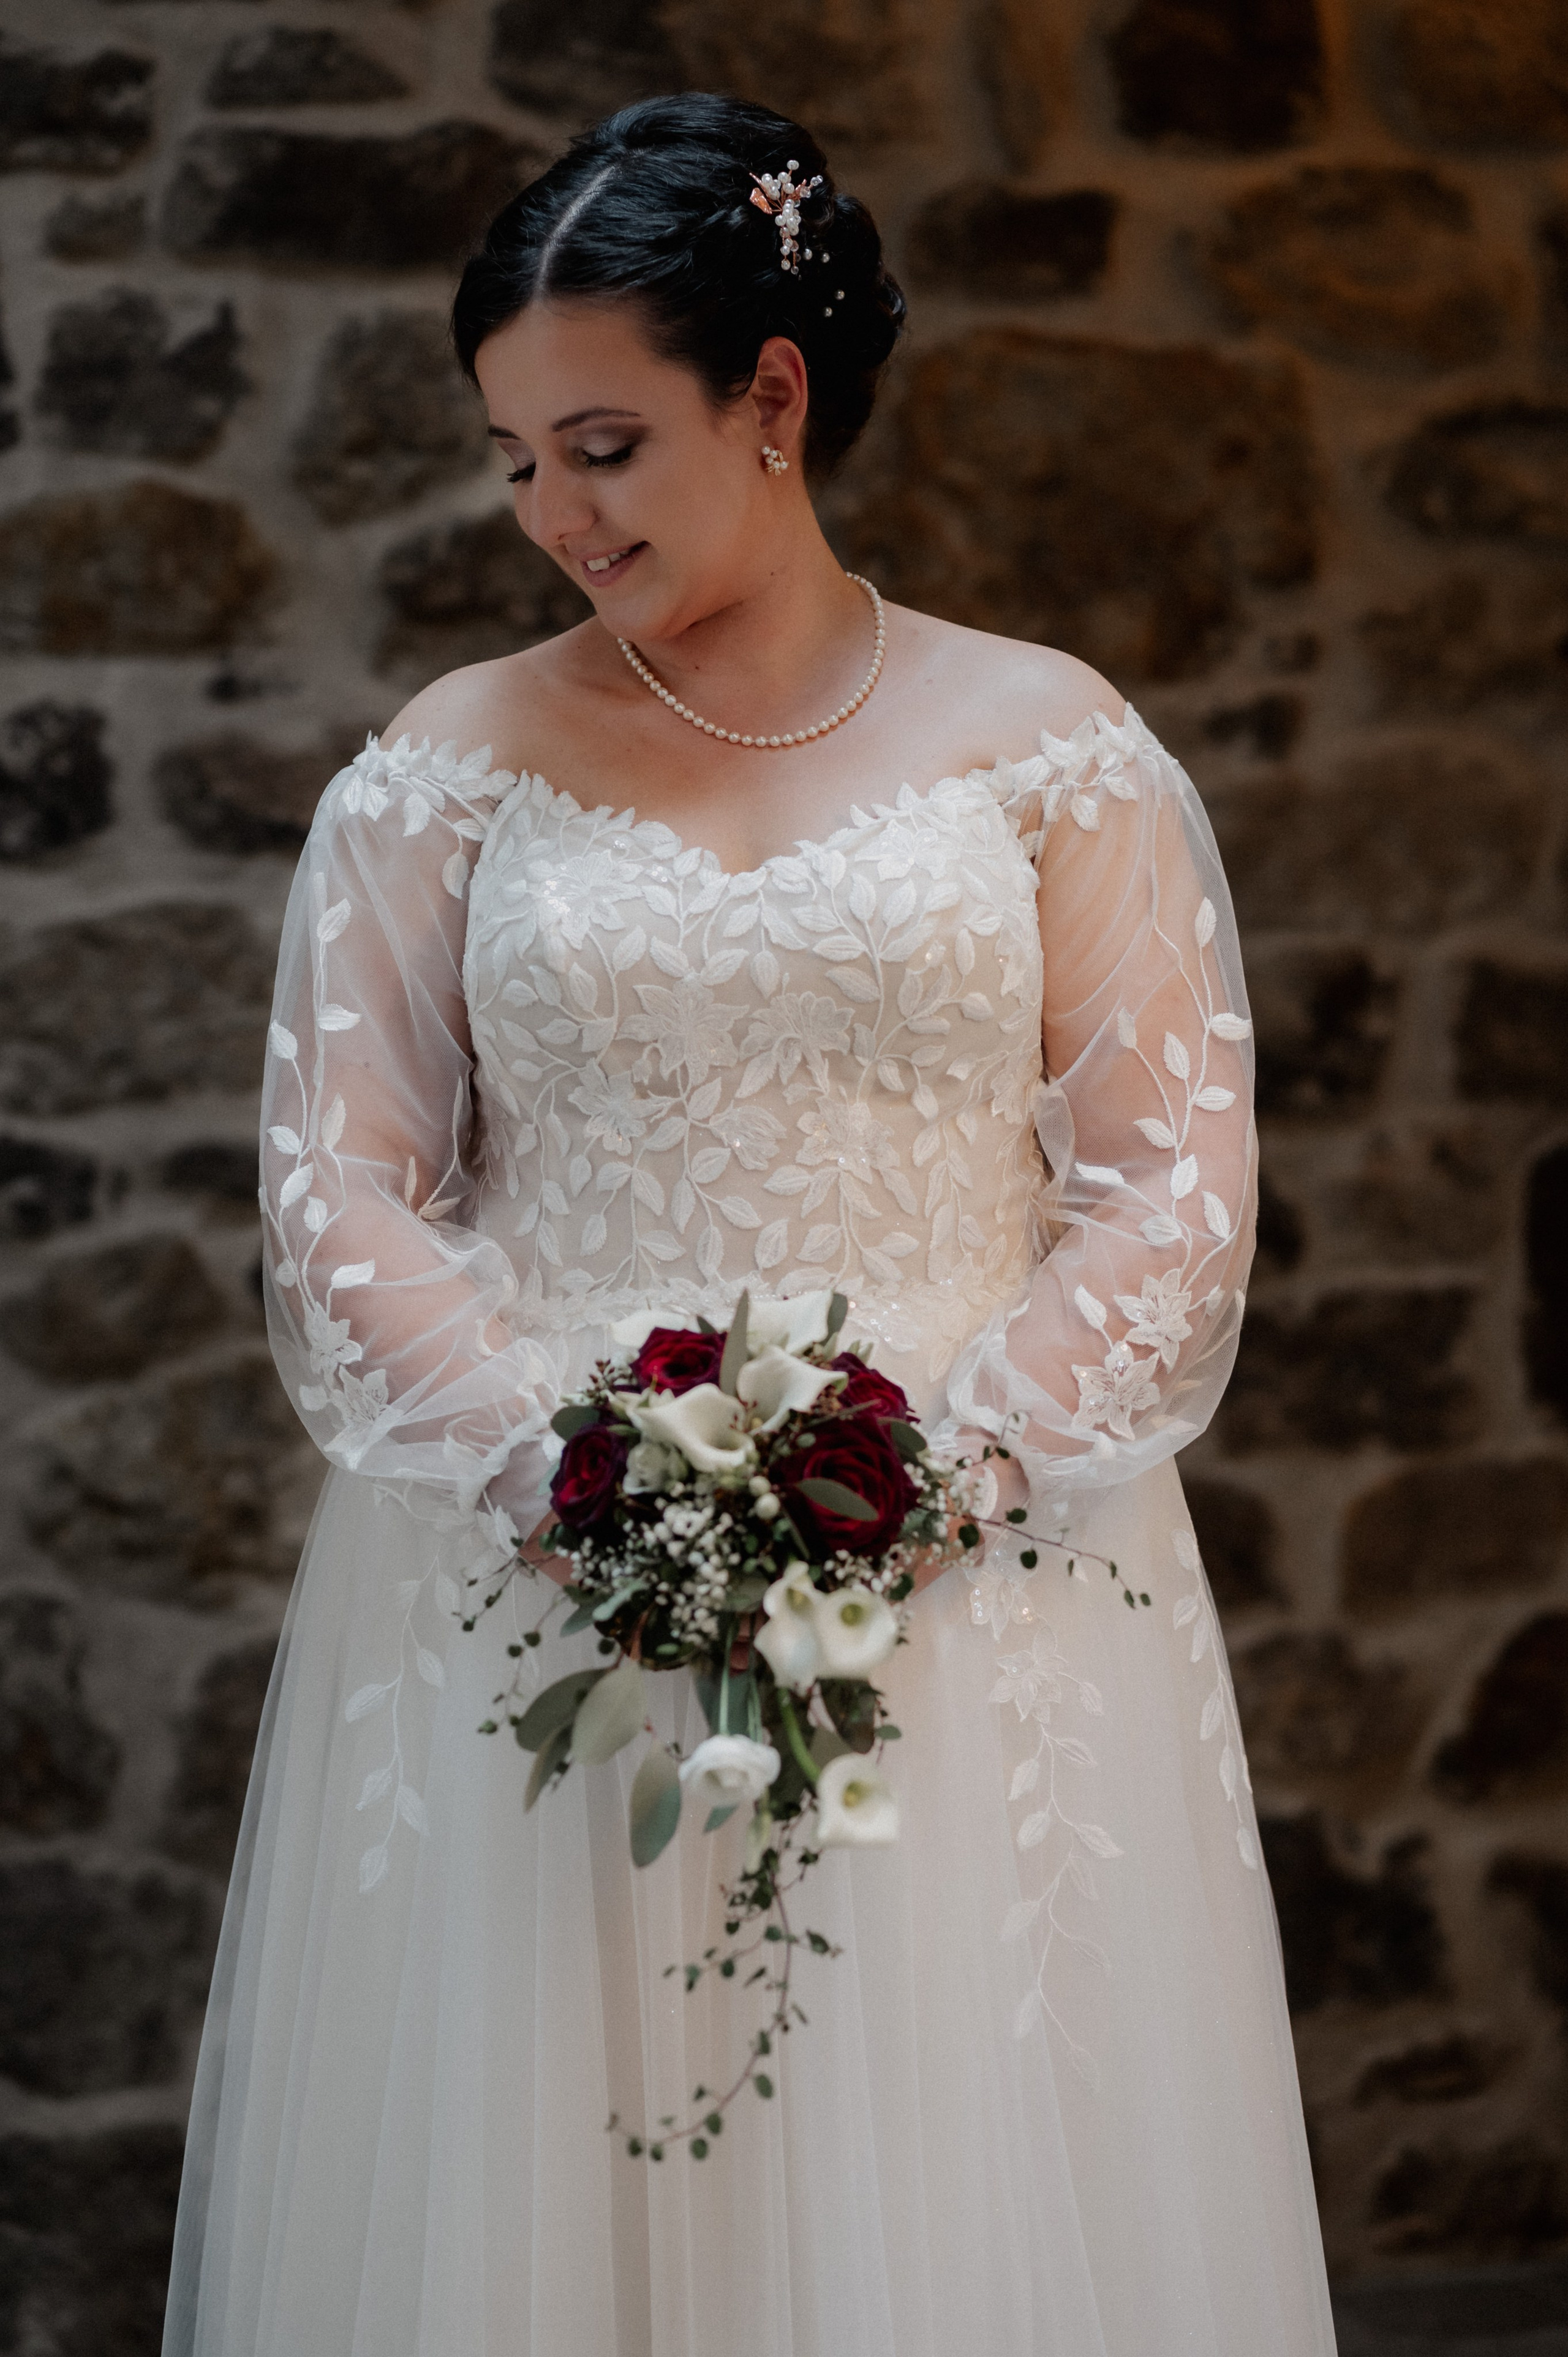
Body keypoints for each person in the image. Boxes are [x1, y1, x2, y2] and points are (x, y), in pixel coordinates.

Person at [163, 91, 1337, 2357]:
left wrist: (946, 1470)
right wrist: (573, 1476)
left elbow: (1170, 1178)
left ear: (772, 397)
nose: (550, 516)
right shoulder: (450, 765)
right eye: (514, 460)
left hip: (981, 1590)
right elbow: (342, 1184)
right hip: (543, 1584)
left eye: (601, 445)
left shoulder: (1045, 744)